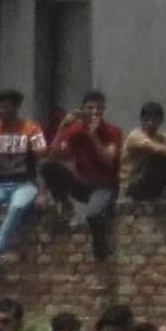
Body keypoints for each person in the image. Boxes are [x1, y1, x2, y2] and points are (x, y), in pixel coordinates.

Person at [44, 92, 124, 262]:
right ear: (83, 110)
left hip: (105, 186)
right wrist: (62, 128)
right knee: (48, 167)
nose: (94, 112)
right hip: (83, 185)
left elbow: (109, 161)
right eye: (90, 108)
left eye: (98, 109)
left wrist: (93, 136)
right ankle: (65, 205)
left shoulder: (113, 131)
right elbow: (52, 156)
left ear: (103, 110)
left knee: (93, 215)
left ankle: (101, 253)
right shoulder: (75, 131)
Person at [0, 92, 48, 262]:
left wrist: (42, 193)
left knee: (17, 207)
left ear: (15, 108)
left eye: (4, 107)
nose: (0, 111)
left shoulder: (32, 130)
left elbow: (40, 163)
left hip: (25, 184)